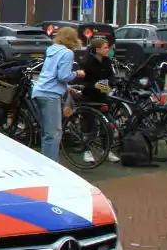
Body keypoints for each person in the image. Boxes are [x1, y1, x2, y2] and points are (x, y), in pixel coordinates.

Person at [31, 26, 85, 162]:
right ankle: (51, 165)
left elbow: (50, 73)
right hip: (51, 94)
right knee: (54, 133)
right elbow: (62, 76)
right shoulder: (67, 53)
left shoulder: (52, 50)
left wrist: (66, 88)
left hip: (39, 91)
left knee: (46, 133)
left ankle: (45, 161)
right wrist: (77, 73)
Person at [77, 37, 119, 164]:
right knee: (89, 125)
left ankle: (106, 149)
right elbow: (80, 81)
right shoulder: (86, 63)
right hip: (89, 97)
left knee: (107, 125)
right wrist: (93, 85)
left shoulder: (107, 61)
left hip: (102, 97)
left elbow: (111, 76)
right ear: (97, 50)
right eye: (105, 48)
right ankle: (87, 150)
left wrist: (110, 85)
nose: (108, 50)